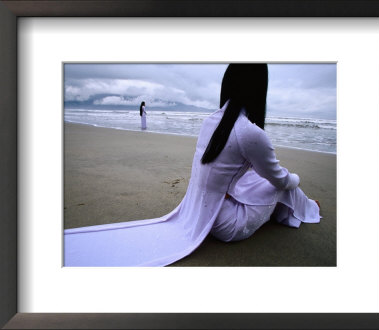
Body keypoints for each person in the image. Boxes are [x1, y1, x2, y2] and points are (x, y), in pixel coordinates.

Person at [64, 64, 321, 267]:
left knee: (256, 178)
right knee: (284, 183)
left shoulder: (211, 121)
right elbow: (281, 181)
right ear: (259, 90)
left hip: (198, 213)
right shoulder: (251, 133)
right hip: (227, 226)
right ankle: (306, 209)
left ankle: (298, 210)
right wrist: (296, 178)